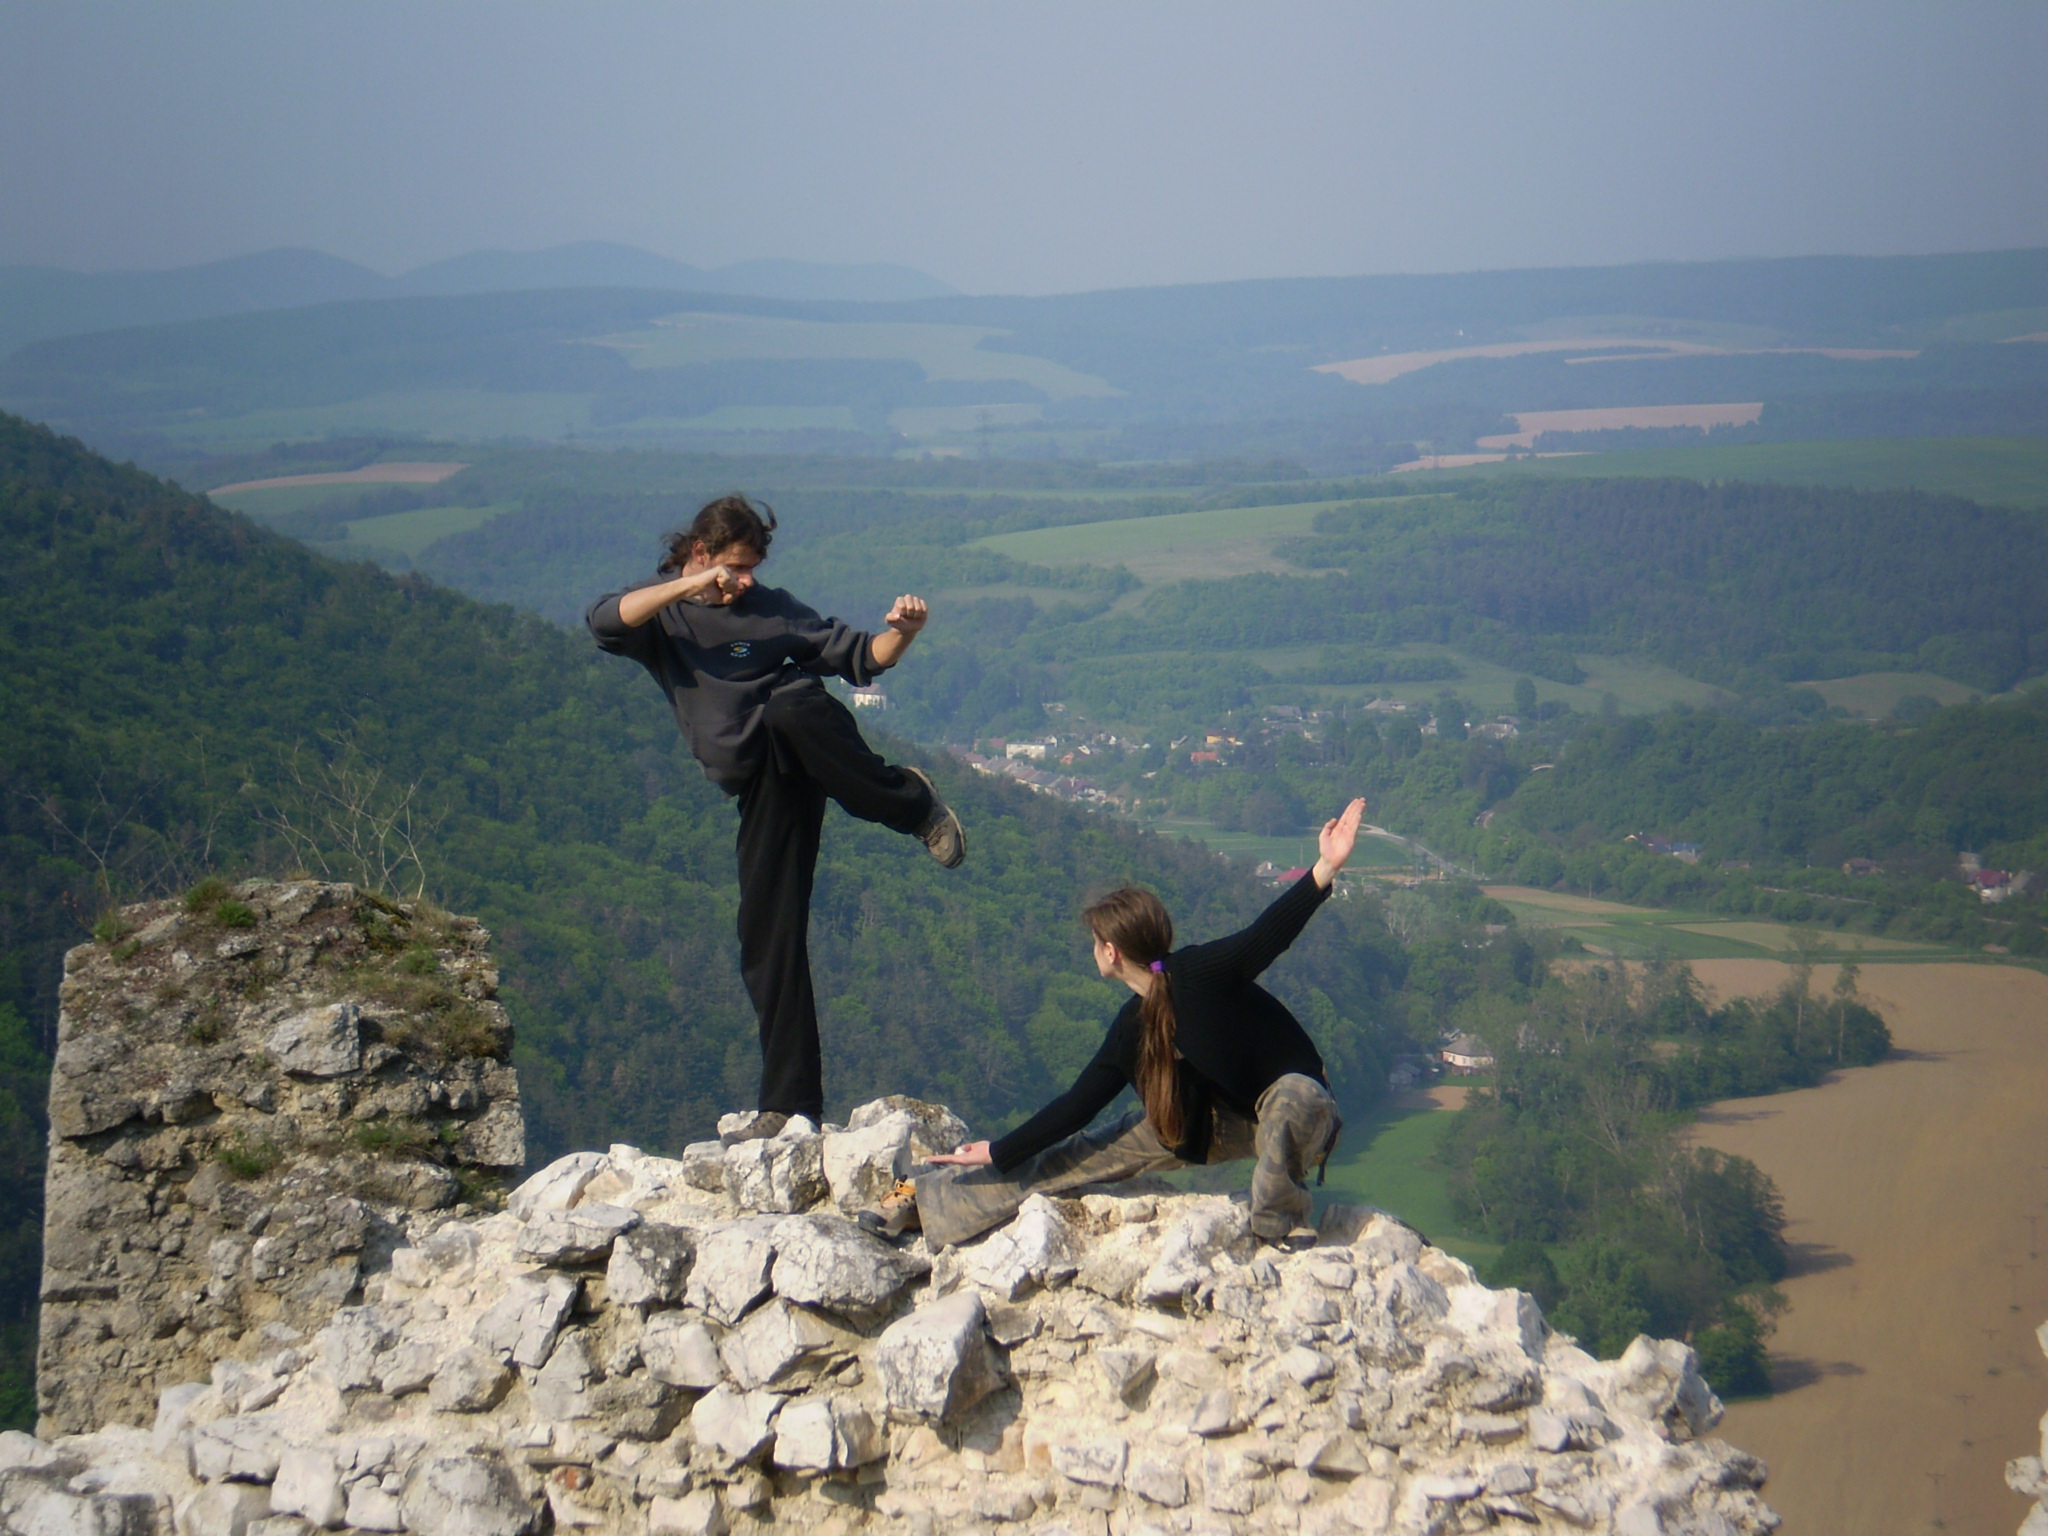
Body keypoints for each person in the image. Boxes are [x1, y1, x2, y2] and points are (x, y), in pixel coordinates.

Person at [586, 494, 967, 1130]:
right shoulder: (665, 618)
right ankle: (790, 1105)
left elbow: (862, 658)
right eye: (734, 568)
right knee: (767, 936)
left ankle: (912, 805)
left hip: (800, 733)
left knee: (790, 704)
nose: (745, 582)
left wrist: (904, 632)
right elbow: (604, 622)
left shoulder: (772, 610)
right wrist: (688, 587)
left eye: (751, 570)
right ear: (701, 554)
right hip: (761, 782)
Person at [905, 797, 1368, 1249]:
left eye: (1094, 942)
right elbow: (1076, 1108)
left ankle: (1279, 1226)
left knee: (1294, 1095)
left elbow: (1269, 933)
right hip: (1209, 1123)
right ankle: (934, 1205)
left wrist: (1325, 868)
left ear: (1111, 952)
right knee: (1079, 1155)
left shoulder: (1201, 973)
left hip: (1300, 1116)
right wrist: (999, 1150)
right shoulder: (1133, 1027)